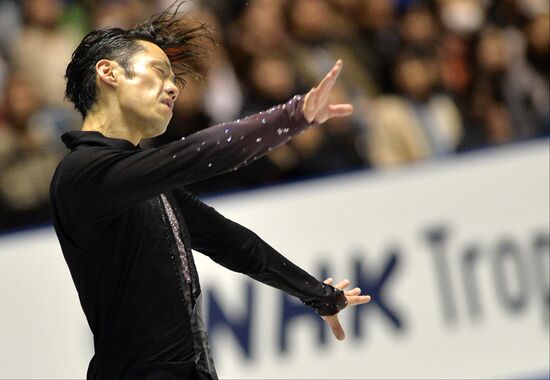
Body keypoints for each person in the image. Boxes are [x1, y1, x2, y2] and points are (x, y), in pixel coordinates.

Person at [49, 2, 370, 379]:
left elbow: (232, 243)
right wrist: (291, 116)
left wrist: (317, 294)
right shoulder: (84, 174)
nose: (172, 87)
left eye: (174, 79)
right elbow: (200, 154)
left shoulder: (143, 182)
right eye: (158, 72)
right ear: (109, 72)